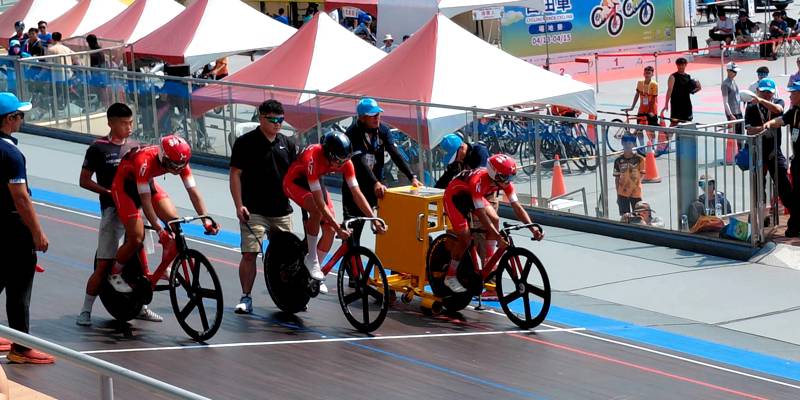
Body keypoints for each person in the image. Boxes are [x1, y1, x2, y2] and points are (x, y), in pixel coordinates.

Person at [76, 104, 163, 326]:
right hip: (112, 210)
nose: (129, 127)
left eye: (131, 122)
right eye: (124, 123)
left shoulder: (136, 146)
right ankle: (85, 310)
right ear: (111, 123)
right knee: (104, 264)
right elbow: (84, 180)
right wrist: (107, 192)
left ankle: (141, 306)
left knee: (140, 262)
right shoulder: (97, 148)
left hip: (136, 209)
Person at [107, 135, 220, 292]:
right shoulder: (144, 162)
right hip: (125, 187)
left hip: (147, 183)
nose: (178, 170)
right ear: (163, 158)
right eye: (173, 166)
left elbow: (193, 192)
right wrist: (159, 230)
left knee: (175, 222)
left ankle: (164, 267)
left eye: (181, 166)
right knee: (137, 237)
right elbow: (146, 203)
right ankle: (114, 273)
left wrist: (205, 220)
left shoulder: (180, 161)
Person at [283, 132, 385, 281]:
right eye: (338, 161)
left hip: (316, 180)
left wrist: (374, 219)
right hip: (295, 182)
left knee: (329, 230)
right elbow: (319, 202)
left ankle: (312, 275)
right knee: (317, 211)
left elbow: (357, 193)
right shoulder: (313, 158)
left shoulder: (346, 162)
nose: (342, 164)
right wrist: (339, 228)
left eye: (345, 160)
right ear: (328, 154)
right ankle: (312, 259)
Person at [0, 92, 54, 364]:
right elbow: (20, 197)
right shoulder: (11, 153)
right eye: (21, 115)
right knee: (19, 288)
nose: (22, 119)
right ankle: (21, 348)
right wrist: (37, 233)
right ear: (10, 119)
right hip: (13, 228)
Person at [229, 100, 296, 313]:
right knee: (250, 253)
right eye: (273, 120)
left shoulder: (288, 143)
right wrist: (239, 205)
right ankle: (246, 297)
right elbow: (235, 175)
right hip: (254, 210)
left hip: (281, 211)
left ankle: (288, 296)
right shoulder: (245, 143)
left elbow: (297, 176)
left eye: (281, 120)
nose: (278, 124)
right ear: (261, 118)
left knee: (287, 257)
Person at [441, 154, 543, 293]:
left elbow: (517, 207)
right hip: (454, 197)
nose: (508, 181)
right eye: (506, 177)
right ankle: (450, 275)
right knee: (465, 237)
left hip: (472, 196)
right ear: (495, 174)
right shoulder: (478, 181)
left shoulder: (503, 181)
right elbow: (482, 215)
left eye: (511, 177)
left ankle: (489, 260)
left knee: (495, 219)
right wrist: (497, 237)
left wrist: (533, 229)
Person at [341, 98, 420, 261]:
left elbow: (395, 154)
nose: (377, 118)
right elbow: (360, 162)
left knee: (386, 225)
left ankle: (390, 263)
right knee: (354, 233)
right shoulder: (352, 134)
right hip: (356, 187)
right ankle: (353, 275)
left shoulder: (383, 130)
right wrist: (375, 182)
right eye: (372, 116)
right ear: (362, 117)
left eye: (378, 114)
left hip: (376, 185)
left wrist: (412, 176)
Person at [750, 79, 800, 236]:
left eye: (793, 93)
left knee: (787, 189)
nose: (790, 96)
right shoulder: (795, 111)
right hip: (797, 161)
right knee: (795, 193)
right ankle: (794, 225)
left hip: (776, 154)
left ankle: (795, 224)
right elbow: (781, 120)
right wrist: (768, 125)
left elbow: (778, 110)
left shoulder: (781, 103)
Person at [624, 65, 659, 147]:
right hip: (641, 110)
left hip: (652, 110)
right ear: (644, 73)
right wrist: (632, 107)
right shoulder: (640, 83)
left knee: (651, 130)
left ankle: (653, 147)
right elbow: (636, 95)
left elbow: (654, 99)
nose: (647, 75)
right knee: (639, 130)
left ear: (652, 74)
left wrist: (650, 111)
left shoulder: (654, 84)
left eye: (649, 73)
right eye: (646, 73)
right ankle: (642, 147)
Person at [661, 58, 701, 126]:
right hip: (676, 104)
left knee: (687, 123)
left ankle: (685, 136)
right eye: (679, 65)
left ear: (685, 65)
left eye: (682, 65)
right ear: (676, 65)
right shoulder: (673, 77)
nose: (681, 67)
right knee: (674, 123)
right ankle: (668, 136)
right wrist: (666, 104)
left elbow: (692, 91)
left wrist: (698, 88)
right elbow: (669, 90)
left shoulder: (688, 77)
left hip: (687, 104)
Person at [614, 135, 646, 216]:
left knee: (638, 216)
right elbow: (617, 178)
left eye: (630, 143)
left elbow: (642, 175)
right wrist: (618, 194)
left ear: (634, 144)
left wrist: (635, 185)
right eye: (625, 143)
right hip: (622, 193)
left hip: (636, 192)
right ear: (622, 143)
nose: (627, 146)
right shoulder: (618, 160)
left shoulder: (640, 159)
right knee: (625, 217)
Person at [722, 62, 743, 136]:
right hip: (733, 113)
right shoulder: (725, 84)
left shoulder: (733, 81)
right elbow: (725, 102)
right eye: (734, 71)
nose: (735, 73)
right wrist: (730, 115)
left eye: (736, 72)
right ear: (728, 71)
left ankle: (741, 147)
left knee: (741, 133)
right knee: (734, 135)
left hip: (738, 111)